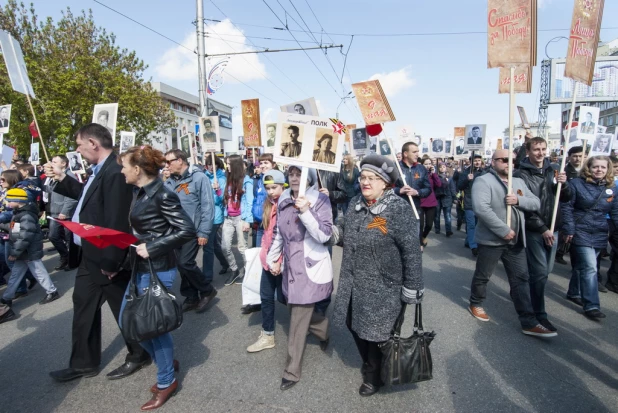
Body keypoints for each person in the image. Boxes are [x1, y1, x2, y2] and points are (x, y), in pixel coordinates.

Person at [47, 123, 151, 382]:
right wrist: (62, 179)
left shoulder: (116, 171)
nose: (77, 150)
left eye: (79, 145)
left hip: (107, 256)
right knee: (83, 307)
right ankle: (83, 363)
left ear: (93, 143)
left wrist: (112, 261)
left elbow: (116, 220)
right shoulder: (100, 170)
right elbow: (88, 199)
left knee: (123, 309)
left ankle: (140, 353)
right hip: (89, 255)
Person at [330, 153, 424, 397]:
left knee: (376, 335)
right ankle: (374, 364)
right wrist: (320, 226)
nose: (365, 182)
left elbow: (412, 253)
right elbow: (341, 232)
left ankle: (374, 375)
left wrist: (412, 288)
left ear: (385, 183)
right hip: (353, 281)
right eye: (362, 177)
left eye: (372, 178)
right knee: (353, 324)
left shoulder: (398, 209)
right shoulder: (355, 203)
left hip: (386, 287)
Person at [117, 145, 195, 410]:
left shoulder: (163, 194)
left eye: (125, 166)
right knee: (129, 321)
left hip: (159, 267)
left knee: (153, 328)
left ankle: (166, 381)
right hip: (140, 266)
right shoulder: (139, 192)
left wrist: (152, 246)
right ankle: (166, 362)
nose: (122, 170)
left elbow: (187, 230)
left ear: (137, 169)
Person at [468, 150, 556, 337]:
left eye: (513, 160)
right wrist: (503, 230)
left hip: (516, 240)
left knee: (521, 279)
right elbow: (481, 209)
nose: (510, 163)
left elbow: (536, 203)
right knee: (484, 275)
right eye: (504, 160)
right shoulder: (483, 181)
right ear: (493, 162)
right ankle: (476, 302)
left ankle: (528, 321)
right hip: (492, 240)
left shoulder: (518, 181)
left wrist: (518, 200)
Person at [266, 166, 332, 391]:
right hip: (290, 265)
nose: (295, 178)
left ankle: (291, 371)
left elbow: (324, 235)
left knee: (297, 318)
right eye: (292, 174)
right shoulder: (284, 198)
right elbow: (279, 233)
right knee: (295, 307)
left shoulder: (320, 199)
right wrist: (274, 258)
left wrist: (305, 212)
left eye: (300, 174)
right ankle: (323, 328)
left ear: (309, 178)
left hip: (310, 265)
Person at [514, 137, 571, 332]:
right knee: (539, 273)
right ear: (528, 151)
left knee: (545, 272)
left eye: (543, 149)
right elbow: (524, 206)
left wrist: (565, 184)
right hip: (534, 229)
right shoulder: (520, 175)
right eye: (536, 149)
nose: (540, 153)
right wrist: (542, 229)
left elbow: (566, 197)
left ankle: (524, 293)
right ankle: (538, 314)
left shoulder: (554, 168)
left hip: (553, 226)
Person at [562, 156, 618, 320]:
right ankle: (592, 305)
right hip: (580, 230)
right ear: (589, 168)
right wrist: (569, 229)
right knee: (591, 268)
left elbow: (615, 212)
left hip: (600, 232)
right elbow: (567, 207)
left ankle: (573, 292)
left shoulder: (612, 188)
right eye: (595, 167)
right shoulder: (576, 184)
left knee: (582, 266)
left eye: (603, 167)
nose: (599, 170)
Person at [164, 149, 217, 313]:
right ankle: (191, 295)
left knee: (185, 263)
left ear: (180, 160)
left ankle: (207, 290)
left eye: (169, 162)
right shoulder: (169, 182)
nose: (166, 165)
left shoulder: (199, 178)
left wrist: (203, 232)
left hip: (192, 229)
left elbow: (208, 206)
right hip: (175, 230)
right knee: (181, 266)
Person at [247, 170, 286, 353]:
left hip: (283, 261)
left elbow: (288, 237)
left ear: (283, 186)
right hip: (268, 260)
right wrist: (265, 255)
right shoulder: (267, 204)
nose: (271, 191)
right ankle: (267, 334)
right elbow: (266, 231)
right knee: (266, 296)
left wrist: (280, 261)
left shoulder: (287, 205)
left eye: (274, 187)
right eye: (267, 188)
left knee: (288, 298)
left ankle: (309, 324)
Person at [0, 188, 60, 306]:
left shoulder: (25, 215)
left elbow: (24, 237)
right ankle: (7, 297)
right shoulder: (20, 213)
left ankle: (52, 291)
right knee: (16, 274)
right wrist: (3, 225)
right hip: (24, 251)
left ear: (17, 200)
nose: (7, 203)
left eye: (9, 201)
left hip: (29, 251)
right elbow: (15, 229)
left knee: (38, 272)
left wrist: (14, 253)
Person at [221, 154, 254, 285]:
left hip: (241, 217)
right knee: (225, 246)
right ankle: (234, 269)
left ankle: (248, 270)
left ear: (235, 165)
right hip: (228, 218)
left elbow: (250, 202)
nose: (226, 166)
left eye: (228, 164)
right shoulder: (226, 179)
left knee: (242, 247)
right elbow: (222, 199)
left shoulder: (246, 181)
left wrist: (247, 220)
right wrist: (218, 191)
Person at [44, 155, 78, 271]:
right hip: (55, 212)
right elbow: (49, 191)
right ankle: (65, 257)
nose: (51, 163)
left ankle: (72, 260)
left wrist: (65, 211)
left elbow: (73, 197)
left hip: (65, 214)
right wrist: (51, 179)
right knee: (53, 236)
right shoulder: (55, 176)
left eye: (54, 162)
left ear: (63, 164)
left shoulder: (69, 176)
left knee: (69, 238)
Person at [555, 146, 584, 265]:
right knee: (566, 231)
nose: (578, 159)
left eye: (580, 156)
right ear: (569, 157)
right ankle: (560, 251)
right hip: (567, 205)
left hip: (582, 207)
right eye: (575, 156)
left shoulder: (587, 171)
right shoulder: (564, 171)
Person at [203, 154, 229, 280]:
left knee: (208, 246)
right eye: (209, 165)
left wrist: (218, 189)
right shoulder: (203, 177)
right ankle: (225, 263)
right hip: (204, 214)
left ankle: (207, 276)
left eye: (214, 165)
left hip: (215, 215)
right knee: (214, 245)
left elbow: (222, 199)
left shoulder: (221, 179)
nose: (211, 167)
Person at [457, 154, 486, 256]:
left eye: (479, 160)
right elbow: (459, 186)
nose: (477, 162)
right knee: (471, 225)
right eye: (475, 160)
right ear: (471, 162)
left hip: (481, 202)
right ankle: (474, 246)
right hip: (469, 202)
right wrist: (467, 180)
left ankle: (468, 241)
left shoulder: (484, 172)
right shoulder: (466, 172)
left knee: (478, 224)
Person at [394, 142, 431, 213]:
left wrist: (417, 192)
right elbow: (385, 189)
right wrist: (399, 190)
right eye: (414, 152)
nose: (417, 154)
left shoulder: (421, 169)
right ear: (405, 154)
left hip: (416, 210)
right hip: (398, 211)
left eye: (418, 152)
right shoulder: (395, 168)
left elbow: (428, 189)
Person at [419, 157, 442, 246]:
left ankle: (424, 236)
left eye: (429, 164)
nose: (428, 166)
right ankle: (420, 242)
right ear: (422, 165)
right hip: (420, 201)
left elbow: (439, 184)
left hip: (431, 201)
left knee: (429, 224)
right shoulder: (419, 173)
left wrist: (434, 174)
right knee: (420, 225)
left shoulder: (432, 174)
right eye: (426, 164)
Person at [434, 162, 456, 237]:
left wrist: (455, 197)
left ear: (446, 168)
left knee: (447, 215)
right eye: (440, 167)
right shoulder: (435, 177)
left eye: (444, 167)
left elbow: (452, 188)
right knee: (437, 215)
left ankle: (448, 230)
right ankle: (437, 229)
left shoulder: (449, 178)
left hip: (447, 197)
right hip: (438, 198)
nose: (442, 168)